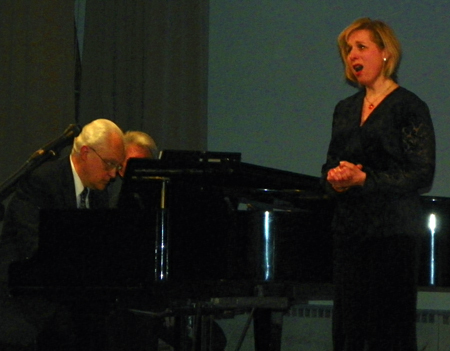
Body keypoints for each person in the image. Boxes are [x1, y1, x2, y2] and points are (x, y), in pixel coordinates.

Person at [321, 18, 435, 350]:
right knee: (350, 331)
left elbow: (421, 173)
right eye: (347, 50)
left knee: (388, 331)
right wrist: (337, 181)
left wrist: (365, 179)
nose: (351, 56)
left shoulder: (409, 107)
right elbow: (330, 166)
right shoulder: (344, 109)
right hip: (350, 233)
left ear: (385, 53)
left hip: (393, 236)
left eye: (361, 47)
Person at [0, 118, 125, 350]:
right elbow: (34, 250)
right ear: (86, 153)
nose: (113, 174)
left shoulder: (98, 194)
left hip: (65, 294)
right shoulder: (41, 182)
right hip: (24, 297)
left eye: (117, 167)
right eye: (109, 164)